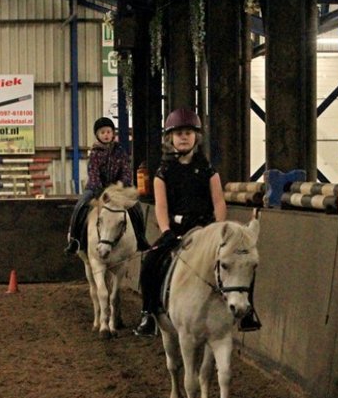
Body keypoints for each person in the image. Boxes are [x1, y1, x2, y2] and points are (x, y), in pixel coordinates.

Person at [134, 107, 255, 337]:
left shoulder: (209, 171)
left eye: (188, 133)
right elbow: (161, 207)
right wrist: (166, 230)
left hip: (206, 231)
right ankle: (148, 312)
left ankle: (247, 311)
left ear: (196, 137)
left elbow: (219, 202)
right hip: (177, 231)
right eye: (178, 133)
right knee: (150, 261)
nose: (183, 137)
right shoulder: (163, 173)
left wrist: (218, 229)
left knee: (243, 260)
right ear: (170, 138)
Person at [64, 117, 149, 255]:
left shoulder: (120, 151)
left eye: (108, 132)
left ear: (112, 133)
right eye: (102, 132)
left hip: (118, 190)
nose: (106, 135)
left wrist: (123, 186)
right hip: (96, 189)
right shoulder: (95, 153)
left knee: (136, 207)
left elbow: (126, 170)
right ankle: (75, 240)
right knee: (80, 206)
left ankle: (141, 238)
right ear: (98, 135)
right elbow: (93, 172)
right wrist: (99, 190)